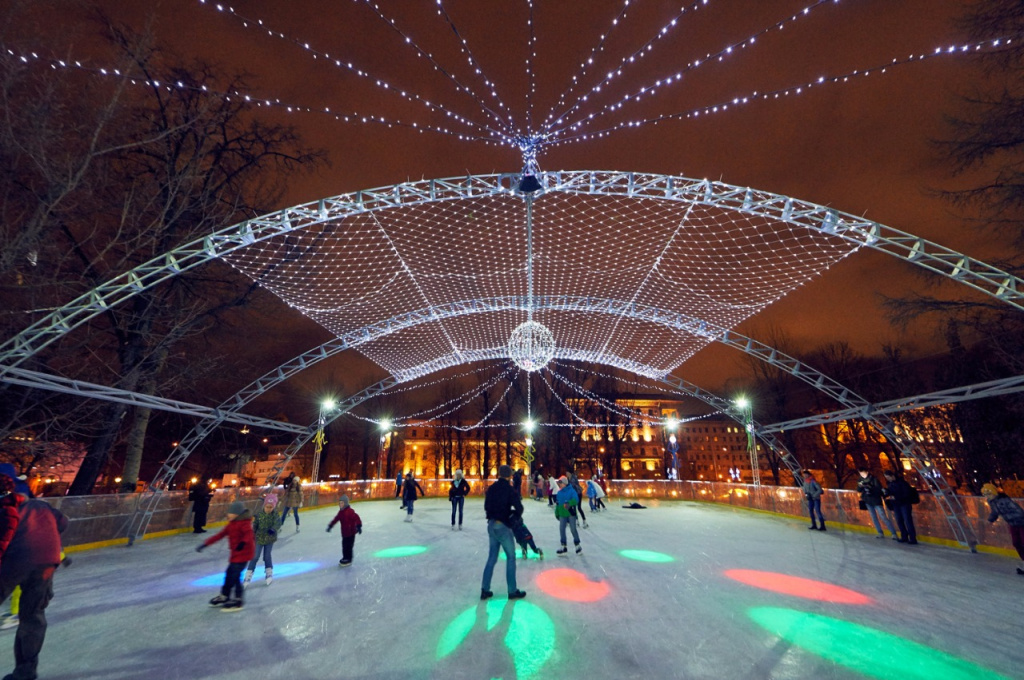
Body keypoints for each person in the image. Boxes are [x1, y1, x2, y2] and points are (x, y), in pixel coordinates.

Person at [0, 470, 67, 680]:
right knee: (33, 617)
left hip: (14, 561)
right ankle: (25, 672)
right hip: (46, 562)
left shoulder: (5, 509)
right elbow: (63, 522)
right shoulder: (39, 505)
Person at [196, 500, 254, 612]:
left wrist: (243, 543)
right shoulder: (231, 525)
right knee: (230, 575)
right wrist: (205, 544)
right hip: (236, 555)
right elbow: (219, 535)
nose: (228, 515)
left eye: (230, 513)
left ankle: (238, 599)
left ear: (237, 514)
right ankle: (225, 596)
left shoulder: (245, 523)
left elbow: (249, 534)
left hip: (244, 554)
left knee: (234, 577)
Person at [480, 465, 526, 601]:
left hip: (491, 525)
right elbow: (519, 507)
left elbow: (486, 506)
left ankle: (484, 589)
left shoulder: (492, 488)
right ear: (509, 475)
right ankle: (512, 590)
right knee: (511, 557)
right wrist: (512, 516)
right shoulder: (509, 489)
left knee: (492, 558)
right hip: (502, 526)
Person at [981, 483, 1024, 574]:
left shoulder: (1004, 500)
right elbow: (995, 512)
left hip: (1021, 523)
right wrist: (990, 520)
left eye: (989, 494)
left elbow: (1019, 511)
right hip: (1012, 524)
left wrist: (1010, 516)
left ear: (993, 492)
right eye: (985, 495)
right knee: (1016, 543)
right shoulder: (991, 502)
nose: (987, 497)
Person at [243, 493, 279, 586]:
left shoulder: (275, 515)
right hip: (258, 538)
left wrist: (273, 529)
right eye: (267, 507)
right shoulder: (259, 514)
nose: (269, 509)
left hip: (269, 539)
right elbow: (255, 526)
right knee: (255, 556)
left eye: (271, 507)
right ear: (264, 505)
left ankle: (269, 573)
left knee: (267, 556)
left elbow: (278, 523)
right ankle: (248, 574)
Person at [857, 468, 898, 540]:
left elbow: (879, 489)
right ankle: (880, 532)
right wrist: (860, 487)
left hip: (876, 501)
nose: (862, 475)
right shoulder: (860, 480)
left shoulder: (874, 479)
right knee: (874, 518)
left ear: (867, 472)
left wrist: (870, 488)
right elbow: (858, 490)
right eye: (860, 474)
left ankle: (893, 533)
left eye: (863, 473)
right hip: (868, 501)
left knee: (883, 517)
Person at [326, 495, 362, 567]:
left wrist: (358, 526)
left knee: (349, 546)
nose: (340, 504)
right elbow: (335, 519)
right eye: (339, 503)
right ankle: (345, 557)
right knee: (344, 546)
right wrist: (330, 526)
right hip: (345, 533)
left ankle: (349, 559)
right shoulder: (340, 512)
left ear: (345, 503)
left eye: (342, 503)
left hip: (351, 533)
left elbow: (356, 518)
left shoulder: (350, 511)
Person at [883, 472, 917, 544]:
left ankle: (912, 538)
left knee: (907, 520)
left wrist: (896, 497)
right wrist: (886, 493)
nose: (887, 479)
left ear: (892, 476)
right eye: (886, 478)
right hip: (896, 504)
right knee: (899, 520)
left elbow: (906, 493)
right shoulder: (889, 484)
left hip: (904, 504)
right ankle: (904, 536)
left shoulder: (902, 483)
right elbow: (890, 492)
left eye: (888, 477)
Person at [554, 476, 583, 555]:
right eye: (559, 483)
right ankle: (563, 545)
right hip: (562, 514)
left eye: (560, 483)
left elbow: (576, 499)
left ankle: (577, 545)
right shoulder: (559, 493)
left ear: (565, 483)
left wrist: (569, 503)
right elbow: (558, 504)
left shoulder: (571, 491)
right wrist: (557, 512)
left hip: (570, 513)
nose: (559, 485)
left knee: (573, 529)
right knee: (561, 529)